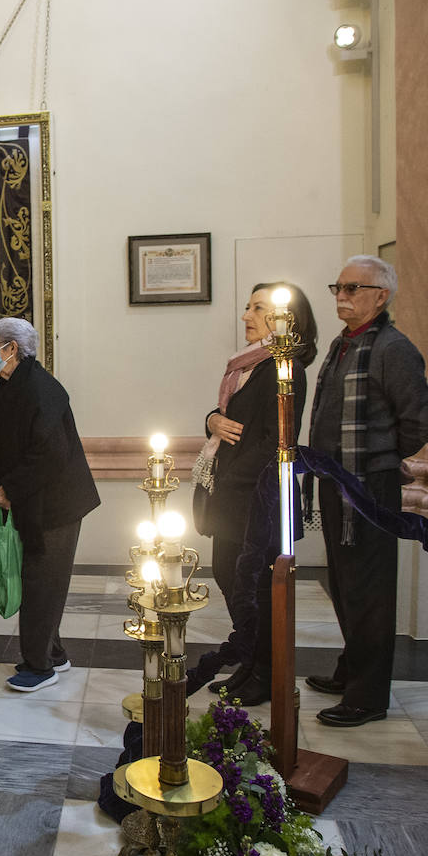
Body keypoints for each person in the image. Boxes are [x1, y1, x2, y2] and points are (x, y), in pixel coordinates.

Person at [307, 256, 428, 727]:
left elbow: (419, 423)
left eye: (352, 288)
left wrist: (379, 459)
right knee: (344, 584)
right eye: (337, 287)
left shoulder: (393, 349)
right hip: (336, 481)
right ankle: (350, 669)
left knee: (370, 590)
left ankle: (368, 696)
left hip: (370, 487)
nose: (341, 296)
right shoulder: (345, 344)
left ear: (380, 296)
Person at [195, 283, 317, 705]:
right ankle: (249, 663)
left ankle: (265, 674)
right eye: (248, 306)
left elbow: (275, 443)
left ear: (287, 319)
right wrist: (211, 419)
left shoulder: (285, 369)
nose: (246, 315)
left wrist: (228, 481)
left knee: (258, 591)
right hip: (232, 503)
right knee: (232, 583)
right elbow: (229, 422)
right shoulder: (247, 366)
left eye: (258, 308)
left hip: (257, 503)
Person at [0, 317, 101, 692]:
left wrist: (9, 489)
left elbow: (50, 453)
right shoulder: (9, 386)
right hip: (32, 498)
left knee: (41, 583)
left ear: (12, 348)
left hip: (57, 505)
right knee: (39, 578)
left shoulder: (40, 388)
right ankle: (54, 654)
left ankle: (38, 666)